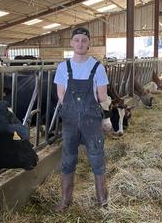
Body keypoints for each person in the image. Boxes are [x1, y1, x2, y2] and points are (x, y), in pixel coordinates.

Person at [53, 27, 109, 212]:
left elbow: (102, 97)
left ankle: (102, 201)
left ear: (89, 43)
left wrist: (102, 116)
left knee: (97, 160)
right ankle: (65, 201)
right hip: (70, 122)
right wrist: (75, 108)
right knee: (68, 160)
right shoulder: (63, 67)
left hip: (91, 122)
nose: (80, 43)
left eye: (84, 40)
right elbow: (61, 95)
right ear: (71, 43)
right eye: (76, 40)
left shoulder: (98, 67)